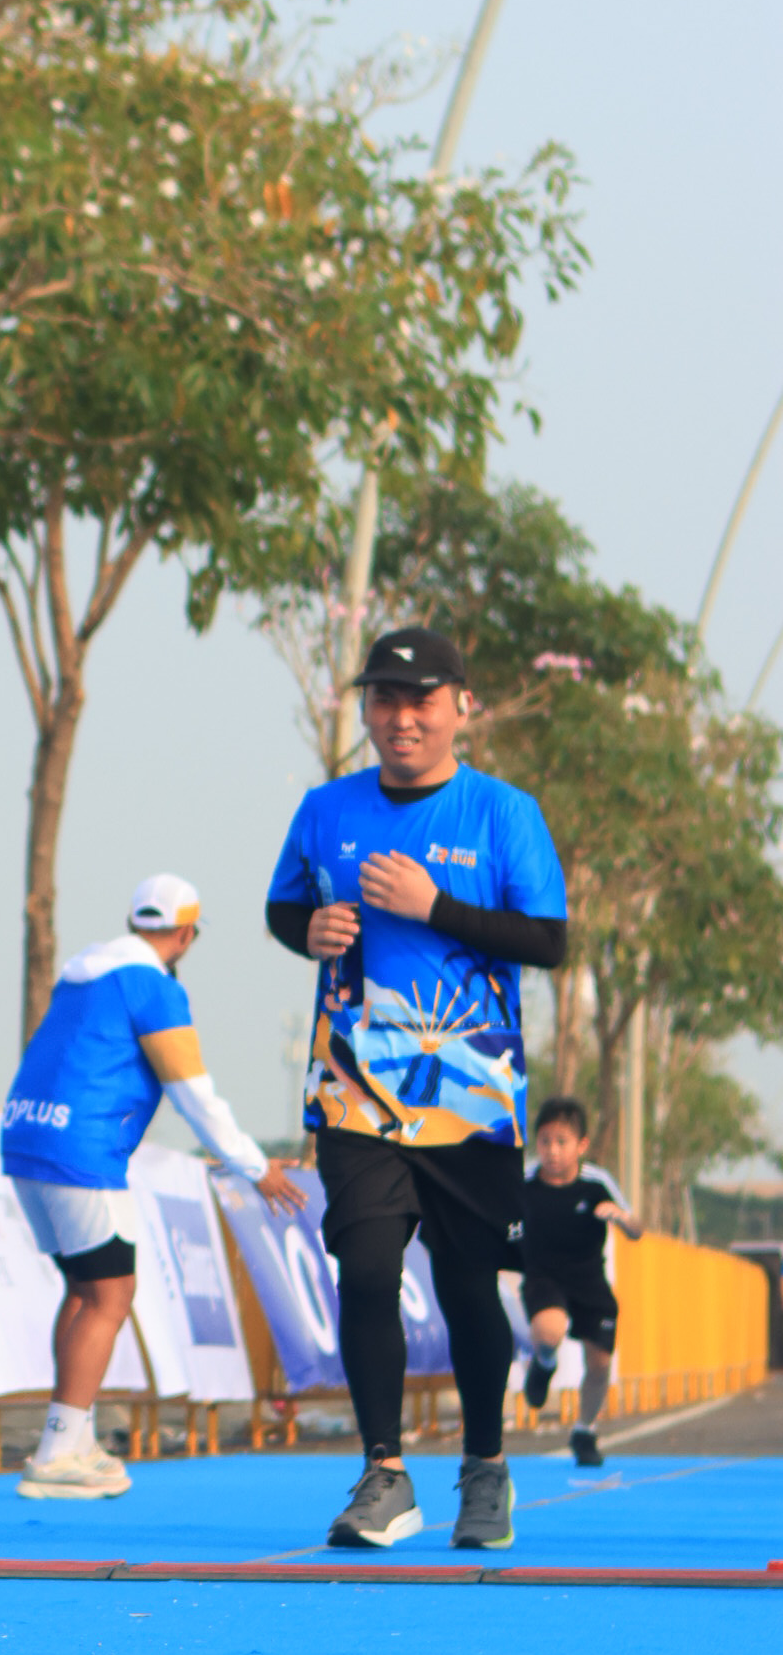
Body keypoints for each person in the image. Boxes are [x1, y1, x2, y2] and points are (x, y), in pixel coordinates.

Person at [266, 627, 568, 1552]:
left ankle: (485, 1466)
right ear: (365, 707)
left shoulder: (504, 813)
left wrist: (434, 907)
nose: (402, 718)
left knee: (471, 1287)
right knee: (365, 1269)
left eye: (422, 700)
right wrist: (308, 930)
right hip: (354, 1086)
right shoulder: (326, 808)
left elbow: (547, 941)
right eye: (385, 699)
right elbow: (283, 906)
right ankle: (384, 1474)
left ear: (461, 707)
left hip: (471, 1092)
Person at [0, 873, 303, 1499]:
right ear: (186, 935)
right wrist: (254, 1164)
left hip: (26, 1138)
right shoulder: (153, 986)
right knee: (111, 1295)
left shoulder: (83, 974)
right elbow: (191, 1090)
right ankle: (57, 1451)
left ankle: (72, 1438)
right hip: (82, 1151)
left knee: (86, 1289)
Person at [518, 1094, 638, 1469]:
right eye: (545, 1141)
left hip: (588, 1279)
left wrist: (620, 1217)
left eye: (562, 1142)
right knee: (549, 1329)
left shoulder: (597, 1182)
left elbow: (636, 1229)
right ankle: (544, 1362)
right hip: (542, 1276)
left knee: (600, 1362)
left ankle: (585, 1430)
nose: (552, 1151)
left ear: (581, 1145)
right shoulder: (524, 1182)